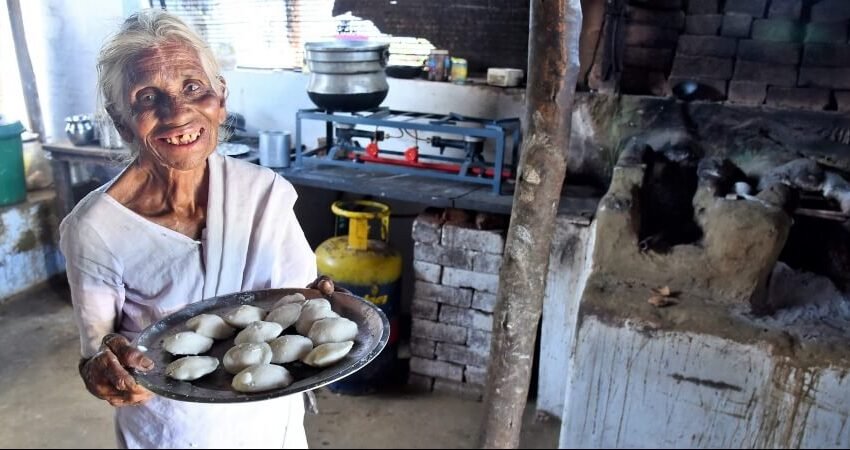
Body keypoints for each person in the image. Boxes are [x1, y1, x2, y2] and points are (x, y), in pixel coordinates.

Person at [59, 9, 317, 448]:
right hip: (176, 433)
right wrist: (105, 371)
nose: (177, 113)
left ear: (221, 98)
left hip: (274, 423)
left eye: (193, 87)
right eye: (147, 98)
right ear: (122, 120)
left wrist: (332, 304)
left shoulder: (263, 193)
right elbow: (96, 353)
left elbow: (304, 303)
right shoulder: (96, 229)